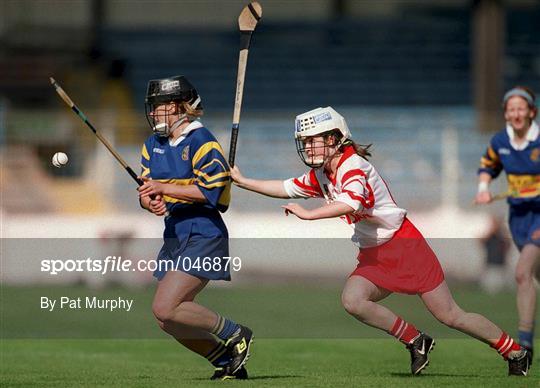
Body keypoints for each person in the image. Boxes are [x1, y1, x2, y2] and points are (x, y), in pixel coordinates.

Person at [231, 106, 531, 376]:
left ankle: (514, 351)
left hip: (404, 246)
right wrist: (244, 182)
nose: (309, 147)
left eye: (314, 140)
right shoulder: (323, 173)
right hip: (373, 253)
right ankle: (415, 339)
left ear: (335, 140)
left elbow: (350, 203)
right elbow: (284, 187)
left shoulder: (354, 167)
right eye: (306, 141)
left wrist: (309, 216)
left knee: (450, 315)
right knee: (353, 300)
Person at [137, 75, 253, 380]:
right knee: (167, 319)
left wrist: (164, 188)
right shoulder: (152, 145)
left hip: (204, 231)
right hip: (175, 234)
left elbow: (212, 192)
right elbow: (149, 192)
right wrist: (151, 202)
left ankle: (237, 333)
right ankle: (224, 358)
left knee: (166, 307)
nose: (152, 114)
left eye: (158, 107)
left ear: (176, 107)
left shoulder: (202, 141)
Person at [475, 86, 539, 361]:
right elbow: (488, 166)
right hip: (519, 218)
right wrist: (483, 188)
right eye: (510, 109)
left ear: (531, 112)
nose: (516, 113)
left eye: (520, 108)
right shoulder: (501, 140)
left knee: (522, 272)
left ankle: (525, 343)